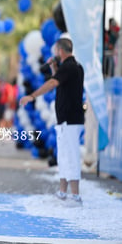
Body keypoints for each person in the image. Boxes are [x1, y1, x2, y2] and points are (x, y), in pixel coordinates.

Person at [19, 37, 84, 205]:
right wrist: (55, 66)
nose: (54, 53)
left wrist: (32, 96)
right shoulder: (73, 67)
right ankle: (63, 191)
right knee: (63, 155)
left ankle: (75, 194)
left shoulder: (70, 67)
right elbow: (60, 81)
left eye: (55, 51)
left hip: (70, 119)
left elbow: (52, 83)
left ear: (60, 51)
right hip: (65, 119)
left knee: (71, 156)